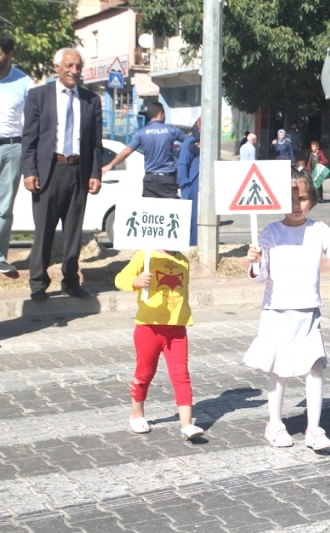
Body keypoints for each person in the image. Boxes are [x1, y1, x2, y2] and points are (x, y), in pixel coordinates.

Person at [242, 169, 330, 451]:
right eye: (290, 198)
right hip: (277, 311)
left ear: (311, 199)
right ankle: (274, 424)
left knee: (314, 370)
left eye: (303, 197)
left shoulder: (319, 230)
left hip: (309, 312)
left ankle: (314, 429)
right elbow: (261, 274)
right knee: (279, 371)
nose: (297, 204)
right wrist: (253, 261)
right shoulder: (271, 232)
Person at [21, 48, 103, 301]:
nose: (74, 71)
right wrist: (29, 171)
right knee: (44, 230)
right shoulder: (39, 96)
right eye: (69, 66)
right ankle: (38, 283)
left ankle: (70, 280)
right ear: (56, 67)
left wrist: (95, 172)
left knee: (73, 232)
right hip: (49, 171)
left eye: (78, 66)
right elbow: (30, 138)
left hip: (78, 171)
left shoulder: (91, 100)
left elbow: (95, 142)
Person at [114, 248, 204, 441]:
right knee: (145, 372)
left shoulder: (183, 260)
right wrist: (135, 282)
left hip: (177, 329)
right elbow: (119, 279)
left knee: (181, 374)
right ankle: (137, 414)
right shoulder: (145, 255)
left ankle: (186, 424)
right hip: (149, 328)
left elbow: (183, 292)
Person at [102, 102, 188, 198]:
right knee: (171, 210)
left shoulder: (141, 133)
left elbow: (126, 151)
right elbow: (189, 142)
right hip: (167, 179)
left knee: (149, 211)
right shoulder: (172, 131)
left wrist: (110, 165)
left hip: (149, 180)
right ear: (161, 113)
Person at [0, 33, 32, 275]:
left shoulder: (24, 82)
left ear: (9, 54)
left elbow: (33, 119)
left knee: (4, 206)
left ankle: (0, 256)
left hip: (12, 148)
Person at [177, 118, 200, 246]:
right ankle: (192, 245)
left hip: (204, 187)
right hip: (192, 186)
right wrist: (185, 185)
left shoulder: (209, 142)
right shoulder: (190, 142)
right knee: (191, 219)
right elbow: (182, 164)